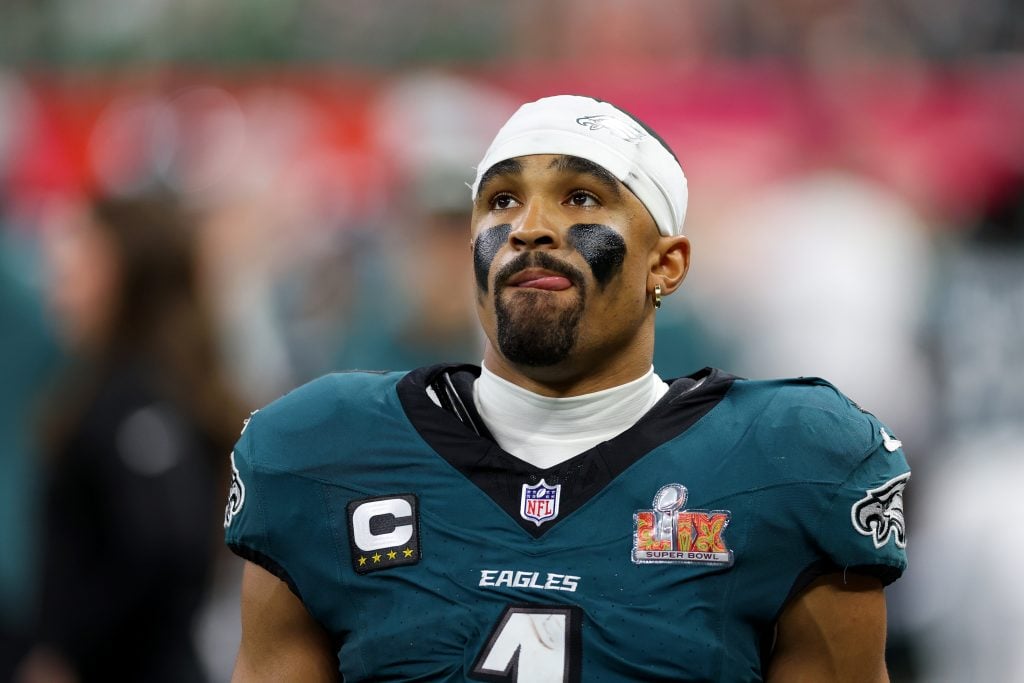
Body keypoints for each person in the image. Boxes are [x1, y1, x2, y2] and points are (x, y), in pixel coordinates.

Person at [225, 95, 910, 682]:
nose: (529, 227)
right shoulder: (323, 450)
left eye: (581, 197)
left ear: (665, 265)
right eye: (502, 200)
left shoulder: (791, 461)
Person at [16, 195, 244, 683]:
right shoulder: (115, 386)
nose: (62, 289)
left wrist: (67, 651)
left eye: (81, 267)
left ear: (128, 277)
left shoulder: (142, 400)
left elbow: (164, 546)